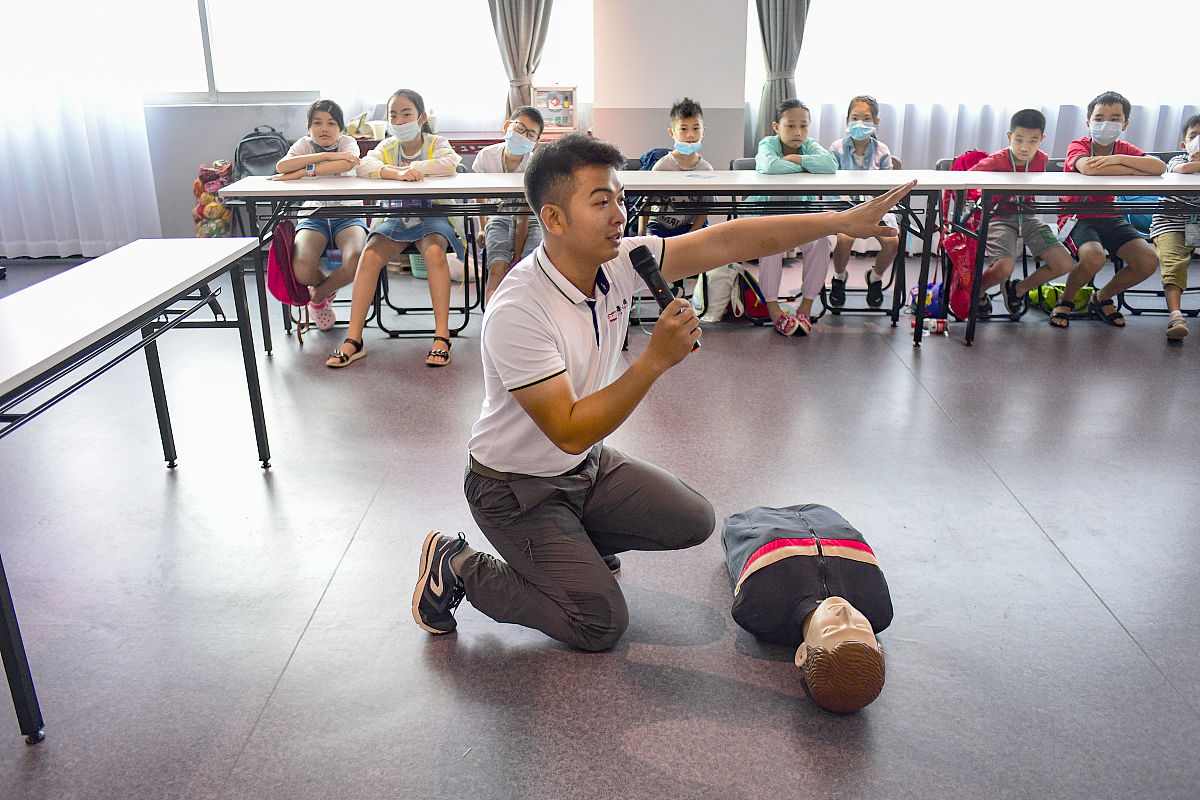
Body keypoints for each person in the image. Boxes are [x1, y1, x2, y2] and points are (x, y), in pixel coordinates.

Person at [410, 132, 913, 652]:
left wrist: (837, 221)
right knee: (598, 624)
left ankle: (574, 542)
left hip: (582, 467)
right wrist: (654, 359)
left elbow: (727, 242)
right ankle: (457, 564)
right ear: (554, 219)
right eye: (601, 202)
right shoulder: (520, 309)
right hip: (513, 489)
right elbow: (568, 429)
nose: (620, 216)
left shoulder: (620, 262)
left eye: (621, 198)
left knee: (692, 519)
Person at [326, 88, 464, 368]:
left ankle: (442, 336)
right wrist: (398, 172)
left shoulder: (436, 142)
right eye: (394, 115)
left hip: (432, 215)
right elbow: (364, 166)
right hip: (396, 216)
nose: (399, 121)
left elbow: (449, 164)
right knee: (369, 256)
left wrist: (416, 168)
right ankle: (354, 339)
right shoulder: (387, 147)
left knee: (434, 253)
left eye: (406, 114)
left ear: (421, 118)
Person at [722, 504, 891, 714]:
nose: (845, 613)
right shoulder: (877, 604)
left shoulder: (759, 606)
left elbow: (738, 532)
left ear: (802, 654)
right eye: (862, 628)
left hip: (758, 518)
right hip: (821, 512)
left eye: (831, 630)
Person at [1055, 91, 1166, 329]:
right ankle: (1066, 299)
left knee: (1147, 260)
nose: (1106, 124)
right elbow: (1089, 169)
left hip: (1111, 216)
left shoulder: (1123, 148)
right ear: (1088, 123)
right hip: (1078, 216)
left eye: (1115, 119)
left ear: (1125, 124)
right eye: (1099, 118)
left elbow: (1158, 167)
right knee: (1094, 257)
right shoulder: (1079, 145)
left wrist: (1116, 160)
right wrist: (1134, 169)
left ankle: (1102, 297)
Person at [967, 108, 1077, 320]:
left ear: (1042, 139)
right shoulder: (996, 161)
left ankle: (1017, 290)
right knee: (1004, 267)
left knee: (1064, 263)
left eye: (1033, 141)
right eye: (1019, 140)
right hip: (998, 217)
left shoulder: (1041, 159)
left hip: (1028, 217)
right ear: (1009, 136)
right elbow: (968, 181)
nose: (1025, 147)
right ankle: (977, 292)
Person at [270, 99, 367, 331]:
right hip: (314, 215)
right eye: (317, 123)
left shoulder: (348, 142)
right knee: (301, 270)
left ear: (341, 128)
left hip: (348, 214)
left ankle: (319, 295)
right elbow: (282, 167)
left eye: (331, 123)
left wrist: (301, 172)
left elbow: (345, 166)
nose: (324, 128)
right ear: (309, 127)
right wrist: (328, 157)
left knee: (357, 261)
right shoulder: (304, 144)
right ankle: (326, 289)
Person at [750, 99, 838, 336]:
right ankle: (773, 309)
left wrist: (796, 159)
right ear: (776, 127)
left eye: (803, 126)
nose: (798, 132)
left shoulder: (809, 146)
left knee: (822, 242)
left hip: (802, 217)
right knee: (771, 246)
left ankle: (805, 308)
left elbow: (830, 165)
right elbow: (770, 166)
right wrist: (807, 167)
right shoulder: (767, 143)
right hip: (769, 216)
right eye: (790, 126)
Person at [826, 95, 899, 309]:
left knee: (892, 242)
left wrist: (872, 209)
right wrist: (850, 210)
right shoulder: (836, 148)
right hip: (844, 209)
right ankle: (839, 278)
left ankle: (875, 279)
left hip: (876, 209)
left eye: (866, 118)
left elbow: (887, 190)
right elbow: (830, 189)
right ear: (847, 120)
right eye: (855, 118)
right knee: (845, 238)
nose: (860, 123)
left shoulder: (882, 151)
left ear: (876, 122)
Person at [473, 106, 545, 301]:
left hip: (531, 218)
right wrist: (482, 228)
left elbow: (523, 216)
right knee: (497, 265)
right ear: (507, 126)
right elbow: (480, 196)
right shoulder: (486, 156)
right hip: (498, 214)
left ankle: (525, 314)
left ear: (536, 142)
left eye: (530, 134)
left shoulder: (535, 165)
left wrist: (517, 257)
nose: (523, 136)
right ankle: (492, 312)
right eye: (520, 128)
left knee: (528, 267)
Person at [1149, 114, 1200, 341]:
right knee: (1174, 262)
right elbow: (1182, 169)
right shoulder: (1176, 161)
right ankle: (1176, 316)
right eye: (1194, 136)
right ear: (1184, 144)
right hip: (1171, 224)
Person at [638, 97, 714, 237]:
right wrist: (641, 236)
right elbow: (646, 204)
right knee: (655, 247)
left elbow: (705, 207)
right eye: (683, 129)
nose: (690, 134)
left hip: (691, 227)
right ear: (672, 132)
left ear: (703, 131)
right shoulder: (662, 166)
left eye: (696, 128)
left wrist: (692, 233)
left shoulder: (706, 169)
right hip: (660, 226)